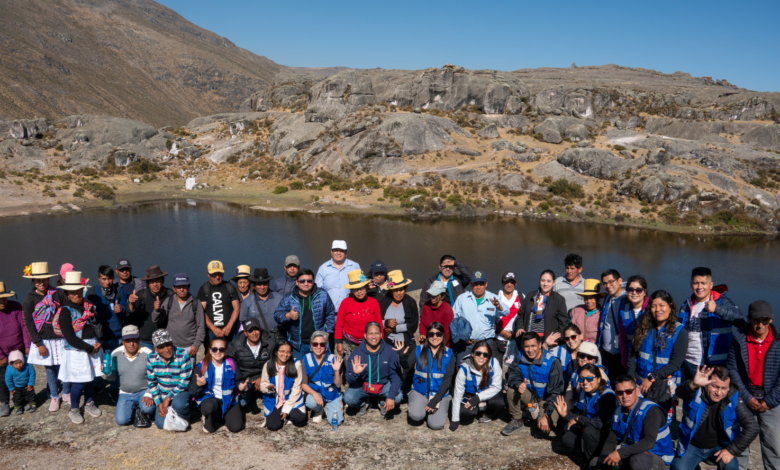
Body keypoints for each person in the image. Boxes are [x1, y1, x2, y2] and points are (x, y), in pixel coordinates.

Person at [671, 365, 758, 470]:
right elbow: (680, 392)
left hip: (719, 448)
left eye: (724, 388)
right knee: (679, 468)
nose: (719, 392)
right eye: (715, 386)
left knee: (731, 466)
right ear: (706, 383)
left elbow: (753, 427)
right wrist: (693, 384)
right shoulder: (696, 390)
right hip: (691, 445)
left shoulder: (733, 398)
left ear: (729, 388)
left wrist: (731, 450)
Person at [727, 300, 780, 470]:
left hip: (770, 401)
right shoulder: (739, 339)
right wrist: (746, 396)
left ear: (771, 319)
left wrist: (770, 401)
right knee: (741, 441)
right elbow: (732, 370)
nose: (760, 324)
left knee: (774, 446)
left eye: (764, 320)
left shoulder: (778, 342)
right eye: (756, 320)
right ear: (749, 318)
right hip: (746, 398)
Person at [678, 267, 746, 382]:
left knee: (713, 398)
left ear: (711, 284)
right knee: (689, 397)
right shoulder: (686, 305)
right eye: (696, 283)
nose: (699, 287)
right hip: (689, 363)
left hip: (715, 366)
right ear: (691, 285)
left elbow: (743, 321)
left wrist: (717, 309)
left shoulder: (721, 302)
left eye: (703, 283)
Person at [595, 375, 674, 469]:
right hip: (633, 452)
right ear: (616, 394)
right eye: (620, 393)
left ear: (637, 391)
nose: (624, 396)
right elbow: (612, 439)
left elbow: (649, 442)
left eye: (628, 391)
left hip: (656, 456)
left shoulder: (651, 411)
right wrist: (604, 460)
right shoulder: (618, 411)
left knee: (637, 461)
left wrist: (620, 453)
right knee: (596, 463)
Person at [627, 290, 687, 413]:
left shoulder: (679, 331)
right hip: (640, 383)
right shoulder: (643, 327)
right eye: (653, 306)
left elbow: (675, 364)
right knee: (638, 417)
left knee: (660, 420)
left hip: (664, 386)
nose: (657, 309)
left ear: (670, 306)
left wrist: (652, 378)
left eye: (661, 305)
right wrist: (631, 376)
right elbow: (632, 354)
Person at [57, 271, 103, 424]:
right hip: (77, 350)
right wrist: (89, 349)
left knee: (90, 379)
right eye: (73, 293)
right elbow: (69, 337)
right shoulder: (65, 311)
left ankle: (89, 402)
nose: (77, 295)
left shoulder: (89, 308)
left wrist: (99, 342)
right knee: (79, 382)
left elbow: (98, 325)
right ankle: (74, 408)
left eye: (79, 291)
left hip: (92, 347)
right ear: (67, 294)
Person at [22, 262, 67, 412]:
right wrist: (38, 343)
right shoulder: (30, 299)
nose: (42, 283)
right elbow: (29, 323)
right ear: (34, 282)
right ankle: (54, 395)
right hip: (45, 340)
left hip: (61, 337)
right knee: (49, 368)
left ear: (48, 280)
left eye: (44, 280)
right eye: (38, 281)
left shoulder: (58, 293)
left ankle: (66, 392)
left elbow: (67, 310)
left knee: (65, 364)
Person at [503, 332, 564, 436]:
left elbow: (556, 392)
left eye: (533, 346)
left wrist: (547, 414)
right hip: (530, 396)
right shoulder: (520, 355)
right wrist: (519, 384)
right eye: (526, 346)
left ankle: (537, 414)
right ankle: (517, 419)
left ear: (540, 345)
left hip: (546, 400)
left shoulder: (552, 362)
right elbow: (512, 374)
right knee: (512, 389)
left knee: (546, 431)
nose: (530, 350)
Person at [557, 364, 617, 464]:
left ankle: (593, 462)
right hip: (589, 430)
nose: (585, 382)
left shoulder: (608, 396)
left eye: (590, 379)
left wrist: (578, 419)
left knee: (588, 432)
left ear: (598, 379)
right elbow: (578, 417)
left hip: (605, 435)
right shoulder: (583, 393)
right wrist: (565, 414)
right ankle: (590, 451)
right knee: (567, 438)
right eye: (581, 379)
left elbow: (599, 423)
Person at [275, 269, 337, 361]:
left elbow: (331, 314)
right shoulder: (288, 298)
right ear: (296, 282)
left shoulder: (323, 294)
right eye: (302, 281)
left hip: (320, 342)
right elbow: (277, 315)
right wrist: (288, 316)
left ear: (313, 281)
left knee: (324, 371)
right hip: (298, 345)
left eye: (309, 281)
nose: (306, 283)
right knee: (298, 371)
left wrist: (327, 333)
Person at [344, 322, 403, 417]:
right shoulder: (356, 353)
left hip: (384, 384)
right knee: (348, 398)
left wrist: (391, 396)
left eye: (377, 333)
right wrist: (355, 374)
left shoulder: (390, 351)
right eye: (370, 333)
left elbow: (396, 377)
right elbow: (349, 379)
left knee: (397, 397)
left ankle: (383, 402)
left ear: (381, 334)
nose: (374, 336)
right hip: (364, 385)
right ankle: (363, 403)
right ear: (365, 335)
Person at [190, 337, 249, 433]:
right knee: (209, 415)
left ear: (226, 350)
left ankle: (220, 416)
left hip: (229, 400)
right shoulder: (201, 366)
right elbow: (192, 391)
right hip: (210, 400)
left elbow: (238, 381)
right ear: (209, 350)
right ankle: (209, 416)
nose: (218, 352)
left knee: (236, 427)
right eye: (214, 349)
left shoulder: (232, 363)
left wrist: (242, 387)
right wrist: (198, 384)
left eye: (221, 349)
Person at [406, 322, 456, 430]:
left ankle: (430, 408)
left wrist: (435, 400)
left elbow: (447, 380)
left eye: (438, 334)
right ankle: (420, 406)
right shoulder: (419, 349)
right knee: (416, 416)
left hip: (440, 394)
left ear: (443, 336)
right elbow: (406, 365)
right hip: (420, 391)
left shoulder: (449, 353)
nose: (435, 337)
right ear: (427, 336)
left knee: (435, 425)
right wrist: (401, 355)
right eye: (431, 334)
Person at [105, 325, 156, 426]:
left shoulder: (148, 353)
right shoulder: (115, 354)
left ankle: (141, 410)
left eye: (134, 340)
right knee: (122, 421)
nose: (131, 343)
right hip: (125, 392)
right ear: (123, 341)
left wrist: (149, 393)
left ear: (138, 339)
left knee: (148, 409)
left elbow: (156, 376)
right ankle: (135, 409)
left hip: (143, 391)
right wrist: (107, 373)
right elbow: (113, 378)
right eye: (128, 340)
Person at [450, 340, 504, 430]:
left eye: (485, 355)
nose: (481, 357)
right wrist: (455, 419)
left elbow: (497, 386)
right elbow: (458, 394)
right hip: (470, 394)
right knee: (465, 413)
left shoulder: (494, 363)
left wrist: (477, 398)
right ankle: (476, 413)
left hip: (487, 392)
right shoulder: (464, 368)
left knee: (499, 403)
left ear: (488, 357)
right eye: (478, 353)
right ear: (472, 354)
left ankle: (487, 414)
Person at [378, 270, 418, 391]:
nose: (399, 293)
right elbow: (376, 320)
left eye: (401, 289)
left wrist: (394, 328)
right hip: (388, 341)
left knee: (408, 368)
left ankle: (408, 391)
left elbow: (413, 324)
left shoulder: (410, 302)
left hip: (406, 341)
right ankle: (389, 391)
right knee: (388, 367)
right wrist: (386, 323)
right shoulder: (383, 302)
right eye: (395, 290)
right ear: (390, 290)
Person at [146, 329, 193, 430]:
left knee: (179, 405)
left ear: (172, 343)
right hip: (162, 393)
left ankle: (186, 414)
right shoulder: (151, 357)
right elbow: (152, 382)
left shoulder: (183, 355)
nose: (166, 349)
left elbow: (184, 382)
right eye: (161, 347)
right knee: (160, 425)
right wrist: (159, 402)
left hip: (180, 392)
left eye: (168, 345)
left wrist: (168, 398)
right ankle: (172, 412)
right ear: (156, 349)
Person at [151, 273, 205, 360]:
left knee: (188, 373)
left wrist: (196, 345)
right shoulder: (169, 301)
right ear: (174, 289)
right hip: (171, 347)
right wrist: (157, 310)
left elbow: (201, 326)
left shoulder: (196, 303)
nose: (182, 289)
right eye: (179, 287)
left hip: (189, 348)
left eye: (184, 286)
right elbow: (155, 320)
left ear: (189, 287)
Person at [452, 271, 505, 359]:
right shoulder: (462, 298)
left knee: (484, 370)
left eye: (482, 283)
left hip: (486, 343)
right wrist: (460, 336)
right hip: (466, 343)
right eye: (476, 284)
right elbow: (454, 319)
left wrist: (499, 306)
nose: (479, 287)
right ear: (470, 284)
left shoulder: (494, 298)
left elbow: (506, 312)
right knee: (462, 369)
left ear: (486, 284)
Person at [226, 318, 275, 412]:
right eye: (250, 331)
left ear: (260, 329)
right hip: (245, 379)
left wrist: (262, 377)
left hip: (264, 378)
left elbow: (274, 363)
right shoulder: (236, 344)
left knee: (273, 399)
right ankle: (250, 395)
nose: (254, 333)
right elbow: (230, 363)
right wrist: (240, 382)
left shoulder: (270, 342)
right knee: (242, 404)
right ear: (245, 332)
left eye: (256, 329)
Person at [334, 269, 383, 358]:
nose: (359, 292)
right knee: (350, 368)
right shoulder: (345, 303)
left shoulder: (374, 302)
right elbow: (339, 324)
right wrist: (339, 342)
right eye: (355, 289)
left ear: (366, 287)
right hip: (348, 343)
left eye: (361, 288)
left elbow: (379, 324)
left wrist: (381, 341)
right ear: (352, 291)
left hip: (369, 343)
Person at [260, 340, 307, 430]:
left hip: (291, 399)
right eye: (282, 351)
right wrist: (267, 387)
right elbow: (263, 384)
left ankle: (286, 415)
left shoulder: (296, 364)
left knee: (300, 418)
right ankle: (280, 415)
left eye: (288, 352)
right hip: (275, 401)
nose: (285, 354)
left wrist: (287, 408)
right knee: (273, 426)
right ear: (276, 352)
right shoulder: (268, 365)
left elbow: (297, 388)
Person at [513, 269, 567, 346]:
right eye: (543, 280)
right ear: (539, 281)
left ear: (554, 283)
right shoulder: (530, 296)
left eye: (549, 281)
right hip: (530, 340)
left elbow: (563, 324)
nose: (545, 284)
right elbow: (520, 315)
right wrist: (520, 327)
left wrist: (556, 339)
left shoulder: (559, 300)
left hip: (549, 341)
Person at [301, 331, 344, 428]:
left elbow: (338, 384)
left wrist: (337, 371)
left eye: (322, 344)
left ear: (326, 345)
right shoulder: (306, 359)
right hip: (317, 392)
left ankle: (333, 405)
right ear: (311, 345)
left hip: (332, 394)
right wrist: (314, 394)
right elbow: (303, 384)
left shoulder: (334, 359)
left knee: (336, 422)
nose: (318, 347)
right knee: (310, 402)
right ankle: (319, 409)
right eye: (315, 344)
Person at [0, 282, 29, 417]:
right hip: (3, 353)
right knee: (3, 379)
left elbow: (24, 327)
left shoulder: (16, 307)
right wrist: (0, 356)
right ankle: (4, 403)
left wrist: (27, 345)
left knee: (23, 375)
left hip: (19, 350)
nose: (2, 301)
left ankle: (23, 400)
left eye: (4, 298)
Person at [127, 265, 172, 350]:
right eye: (151, 282)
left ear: (163, 280)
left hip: (165, 341)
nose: (155, 284)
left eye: (157, 280)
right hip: (145, 341)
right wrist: (131, 304)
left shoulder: (171, 295)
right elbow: (128, 315)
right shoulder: (141, 295)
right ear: (147, 283)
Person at [612, 275, 649, 372]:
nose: (634, 293)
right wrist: (624, 361)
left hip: (648, 360)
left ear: (644, 291)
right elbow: (623, 339)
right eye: (630, 290)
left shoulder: (652, 309)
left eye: (639, 290)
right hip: (630, 358)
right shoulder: (624, 309)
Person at [198, 261, 241, 343]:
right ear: (208, 275)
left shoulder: (230, 287)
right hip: (211, 333)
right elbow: (201, 311)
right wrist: (213, 328)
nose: (217, 277)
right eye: (214, 274)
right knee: (212, 355)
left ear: (223, 274)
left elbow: (237, 308)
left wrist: (229, 327)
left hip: (229, 332)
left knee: (231, 355)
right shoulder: (204, 289)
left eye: (219, 274)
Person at [596, 269, 628, 381]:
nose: (608, 286)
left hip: (621, 353)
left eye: (611, 282)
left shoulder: (628, 299)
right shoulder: (608, 298)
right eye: (604, 283)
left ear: (619, 280)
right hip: (606, 351)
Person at [315, 240, 360, 310]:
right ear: (331, 252)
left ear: (346, 253)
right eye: (336, 250)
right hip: (329, 313)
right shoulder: (323, 268)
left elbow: (360, 287)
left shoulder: (354, 266)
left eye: (341, 250)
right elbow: (317, 291)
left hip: (350, 311)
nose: (338, 253)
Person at [240, 268, 281, 337]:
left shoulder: (279, 298)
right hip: (258, 340)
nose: (262, 287)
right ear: (254, 285)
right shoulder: (246, 302)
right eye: (259, 284)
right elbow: (244, 322)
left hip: (277, 338)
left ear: (268, 283)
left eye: (265, 283)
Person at [495, 272, 524, 366]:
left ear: (515, 283)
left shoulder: (521, 297)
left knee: (513, 370)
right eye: (507, 282)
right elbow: (489, 320)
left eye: (512, 282)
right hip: (497, 339)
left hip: (515, 340)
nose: (509, 284)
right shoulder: (495, 297)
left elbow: (525, 317)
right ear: (502, 282)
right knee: (495, 369)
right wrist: (504, 333)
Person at [419, 281, 454, 348]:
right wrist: (422, 335)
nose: (432, 297)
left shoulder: (447, 310)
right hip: (426, 342)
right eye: (431, 294)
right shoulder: (426, 306)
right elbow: (422, 324)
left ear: (443, 296)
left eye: (435, 295)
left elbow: (447, 333)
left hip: (441, 345)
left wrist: (438, 347)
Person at [570, 279, 605, 343]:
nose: (588, 301)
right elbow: (570, 330)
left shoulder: (603, 314)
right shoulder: (576, 310)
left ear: (598, 298)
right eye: (586, 298)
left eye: (591, 298)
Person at [4, 351, 36, 415]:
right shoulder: (9, 369)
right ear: (12, 364)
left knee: (30, 394)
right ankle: (18, 407)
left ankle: (32, 404)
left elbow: (32, 374)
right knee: (16, 397)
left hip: (27, 385)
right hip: (16, 386)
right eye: (16, 363)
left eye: (20, 362)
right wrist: (11, 388)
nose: (18, 365)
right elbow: (8, 379)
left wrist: (30, 384)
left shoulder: (28, 365)